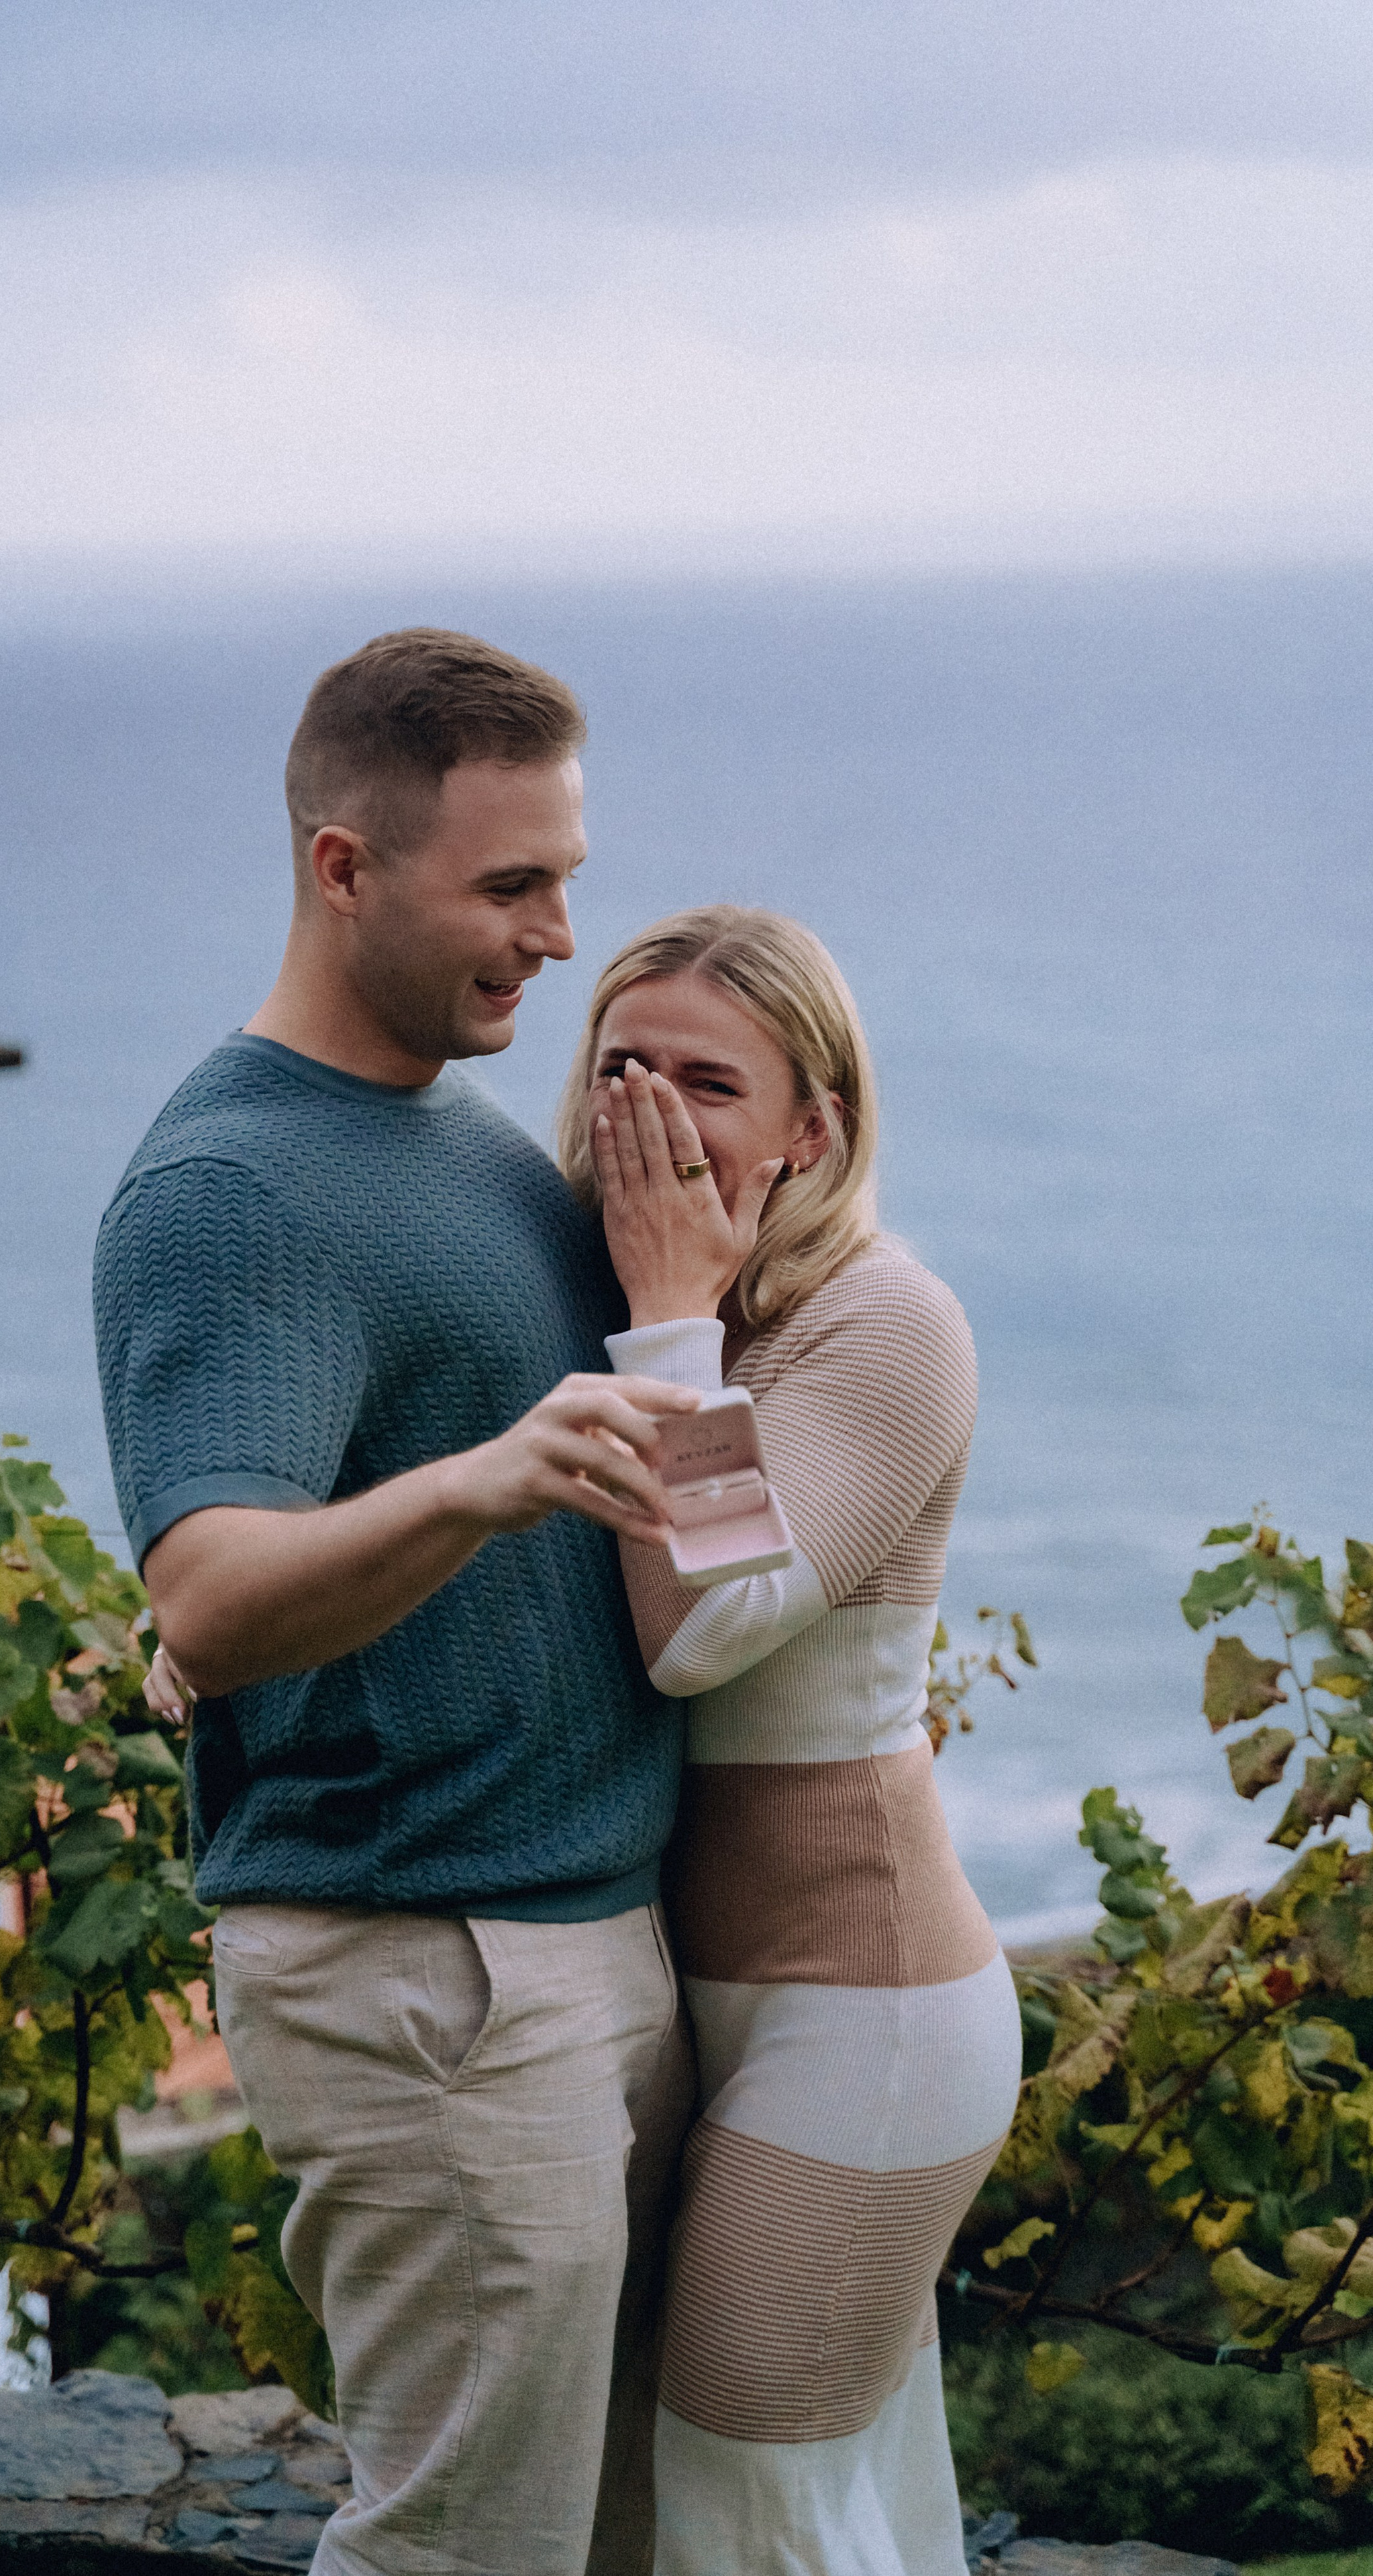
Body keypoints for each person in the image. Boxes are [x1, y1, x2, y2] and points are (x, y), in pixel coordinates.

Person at [93, 629, 700, 2576]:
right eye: (508, 887)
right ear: (345, 867)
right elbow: (203, 1596)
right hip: (432, 1975)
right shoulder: (233, 1190)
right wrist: (480, 1478)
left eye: (567, 879)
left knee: (609, 2545)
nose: (553, 936)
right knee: (466, 2557)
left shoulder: (466, 1136)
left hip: (583, 1941)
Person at [554, 904, 1021, 2576]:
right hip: (701, 2009)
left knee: (746, 2500)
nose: (654, 1110)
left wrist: (670, 1318)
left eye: (706, 1078)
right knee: (826, 2501)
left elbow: (700, 1632)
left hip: (866, 2017)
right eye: (621, 1065)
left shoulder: (878, 1322)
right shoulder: (636, 1300)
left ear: (810, 1125)